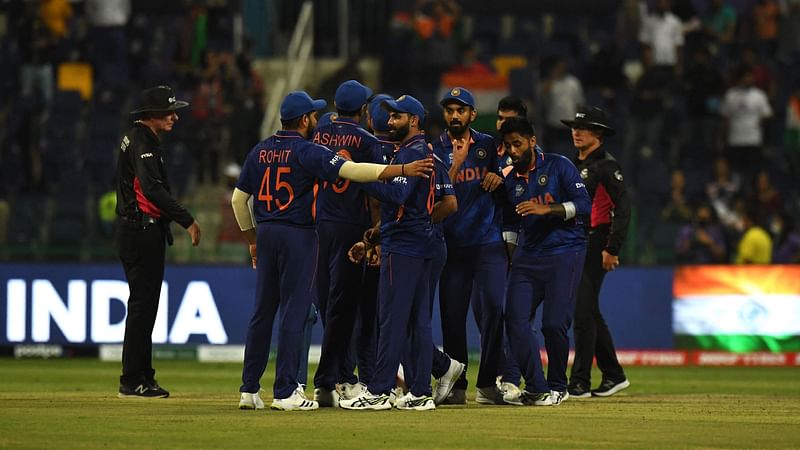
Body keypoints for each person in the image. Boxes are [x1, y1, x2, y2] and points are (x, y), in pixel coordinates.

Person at [232, 91, 432, 411]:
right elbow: (352, 171)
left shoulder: (260, 150)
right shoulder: (307, 151)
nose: (317, 119)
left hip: (267, 233)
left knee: (262, 313)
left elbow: (238, 201)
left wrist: (253, 239)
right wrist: (401, 171)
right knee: (294, 312)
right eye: (312, 115)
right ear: (303, 120)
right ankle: (285, 392)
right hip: (298, 234)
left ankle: (248, 390)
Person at [339, 95, 437, 411]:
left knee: (391, 320)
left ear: (415, 120)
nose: (390, 121)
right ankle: (421, 392)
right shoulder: (417, 151)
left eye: (397, 117)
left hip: (405, 244)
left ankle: (379, 389)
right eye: (390, 116)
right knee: (417, 320)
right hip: (418, 240)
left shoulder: (414, 152)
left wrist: (361, 178)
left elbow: (397, 193)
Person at [115, 85, 201, 398]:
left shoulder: (137, 137)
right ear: (152, 114)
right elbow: (151, 189)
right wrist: (186, 219)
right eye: (169, 111)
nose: (175, 117)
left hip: (137, 230)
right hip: (141, 231)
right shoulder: (142, 141)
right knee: (142, 306)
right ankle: (132, 379)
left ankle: (142, 376)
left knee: (144, 306)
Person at [499, 116, 590, 406]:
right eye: (508, 145)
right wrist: (512, 255)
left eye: (518, 144)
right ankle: (536, 387)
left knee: (553, 324)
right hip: (527, 256)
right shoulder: (510, 178)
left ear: (532, 142)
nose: (513, 150)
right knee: (514, 319)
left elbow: (584, 206)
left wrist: (547, 209)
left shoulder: (559, 165)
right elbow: (511, 221)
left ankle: (557, 385)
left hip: (565, 251)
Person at [432, 87, 510, 405]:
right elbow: (434, 194)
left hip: (487, 242)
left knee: (495, 308)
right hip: (451, 244)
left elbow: (508, 169)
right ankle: (457, 386)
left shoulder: (488, 144)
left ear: (472, 115)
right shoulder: (433, 148)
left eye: (460, 110)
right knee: (452, 317)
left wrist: (498, 175)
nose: (454, 115)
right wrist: (456, 164)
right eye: (449, 110)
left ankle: (488, 383)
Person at [311, 80, 387, 407]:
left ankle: (336, 378)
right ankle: (340, 379)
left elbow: (327, 125)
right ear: (364, 110)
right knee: (346, 309)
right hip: (353, 228)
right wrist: (375, 235)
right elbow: (375, 194)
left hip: (322, 225)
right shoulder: (368, 141)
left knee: (329, 305)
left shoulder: (320, 133)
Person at [562, 106, 632, 398]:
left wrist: (612, 248)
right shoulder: (573, 165)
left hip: (596, 240)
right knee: (588, 309)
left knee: (583, 310)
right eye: (575, 128)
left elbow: (624, 209)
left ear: (599, 134)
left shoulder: (605, 165)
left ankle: (579, 381)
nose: (577, 132)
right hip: (577, 240)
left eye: (585, 128)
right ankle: (613, 374)